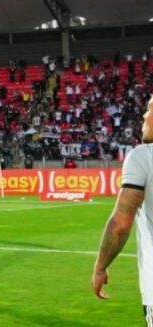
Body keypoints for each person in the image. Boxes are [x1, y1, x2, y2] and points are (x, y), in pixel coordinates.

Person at [92, 96, 153, 319]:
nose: (144, 116)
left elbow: (120, 225)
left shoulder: (143, 157)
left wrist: (100, 267)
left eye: (149, 109)